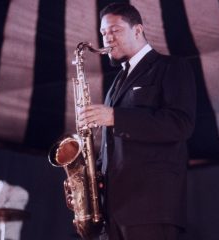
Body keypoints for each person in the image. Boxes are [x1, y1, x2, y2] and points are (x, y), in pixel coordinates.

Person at [79, 3, 196, 240]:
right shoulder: (116, 83)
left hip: (151, 208)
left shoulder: (171, 67)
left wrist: (115, 116)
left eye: (115, 30)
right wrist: (88, 172)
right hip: (112, 212)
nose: (107, 39)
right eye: (103, 33)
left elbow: (180, 124)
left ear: (138, 30)